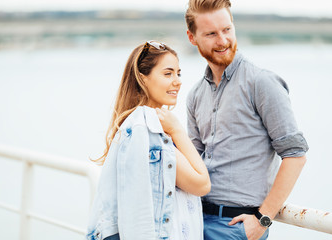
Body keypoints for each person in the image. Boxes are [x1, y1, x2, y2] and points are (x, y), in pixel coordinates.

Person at [184, 1, 309, 239]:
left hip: (235, 227)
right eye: (211, 34)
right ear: (192, 37)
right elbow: (192, 162)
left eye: (227, 29)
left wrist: (262, 220)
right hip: (194, 219)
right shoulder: (195, 94)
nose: (222, 40)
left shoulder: (261, 83)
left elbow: (295, 156)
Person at [86, 41, 210, 240]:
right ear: (143, 79)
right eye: (167, 74)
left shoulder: (136, 124)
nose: (177, 81)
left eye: (178, 73)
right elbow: (202, 184)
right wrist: (177, 129)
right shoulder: (146, 129)